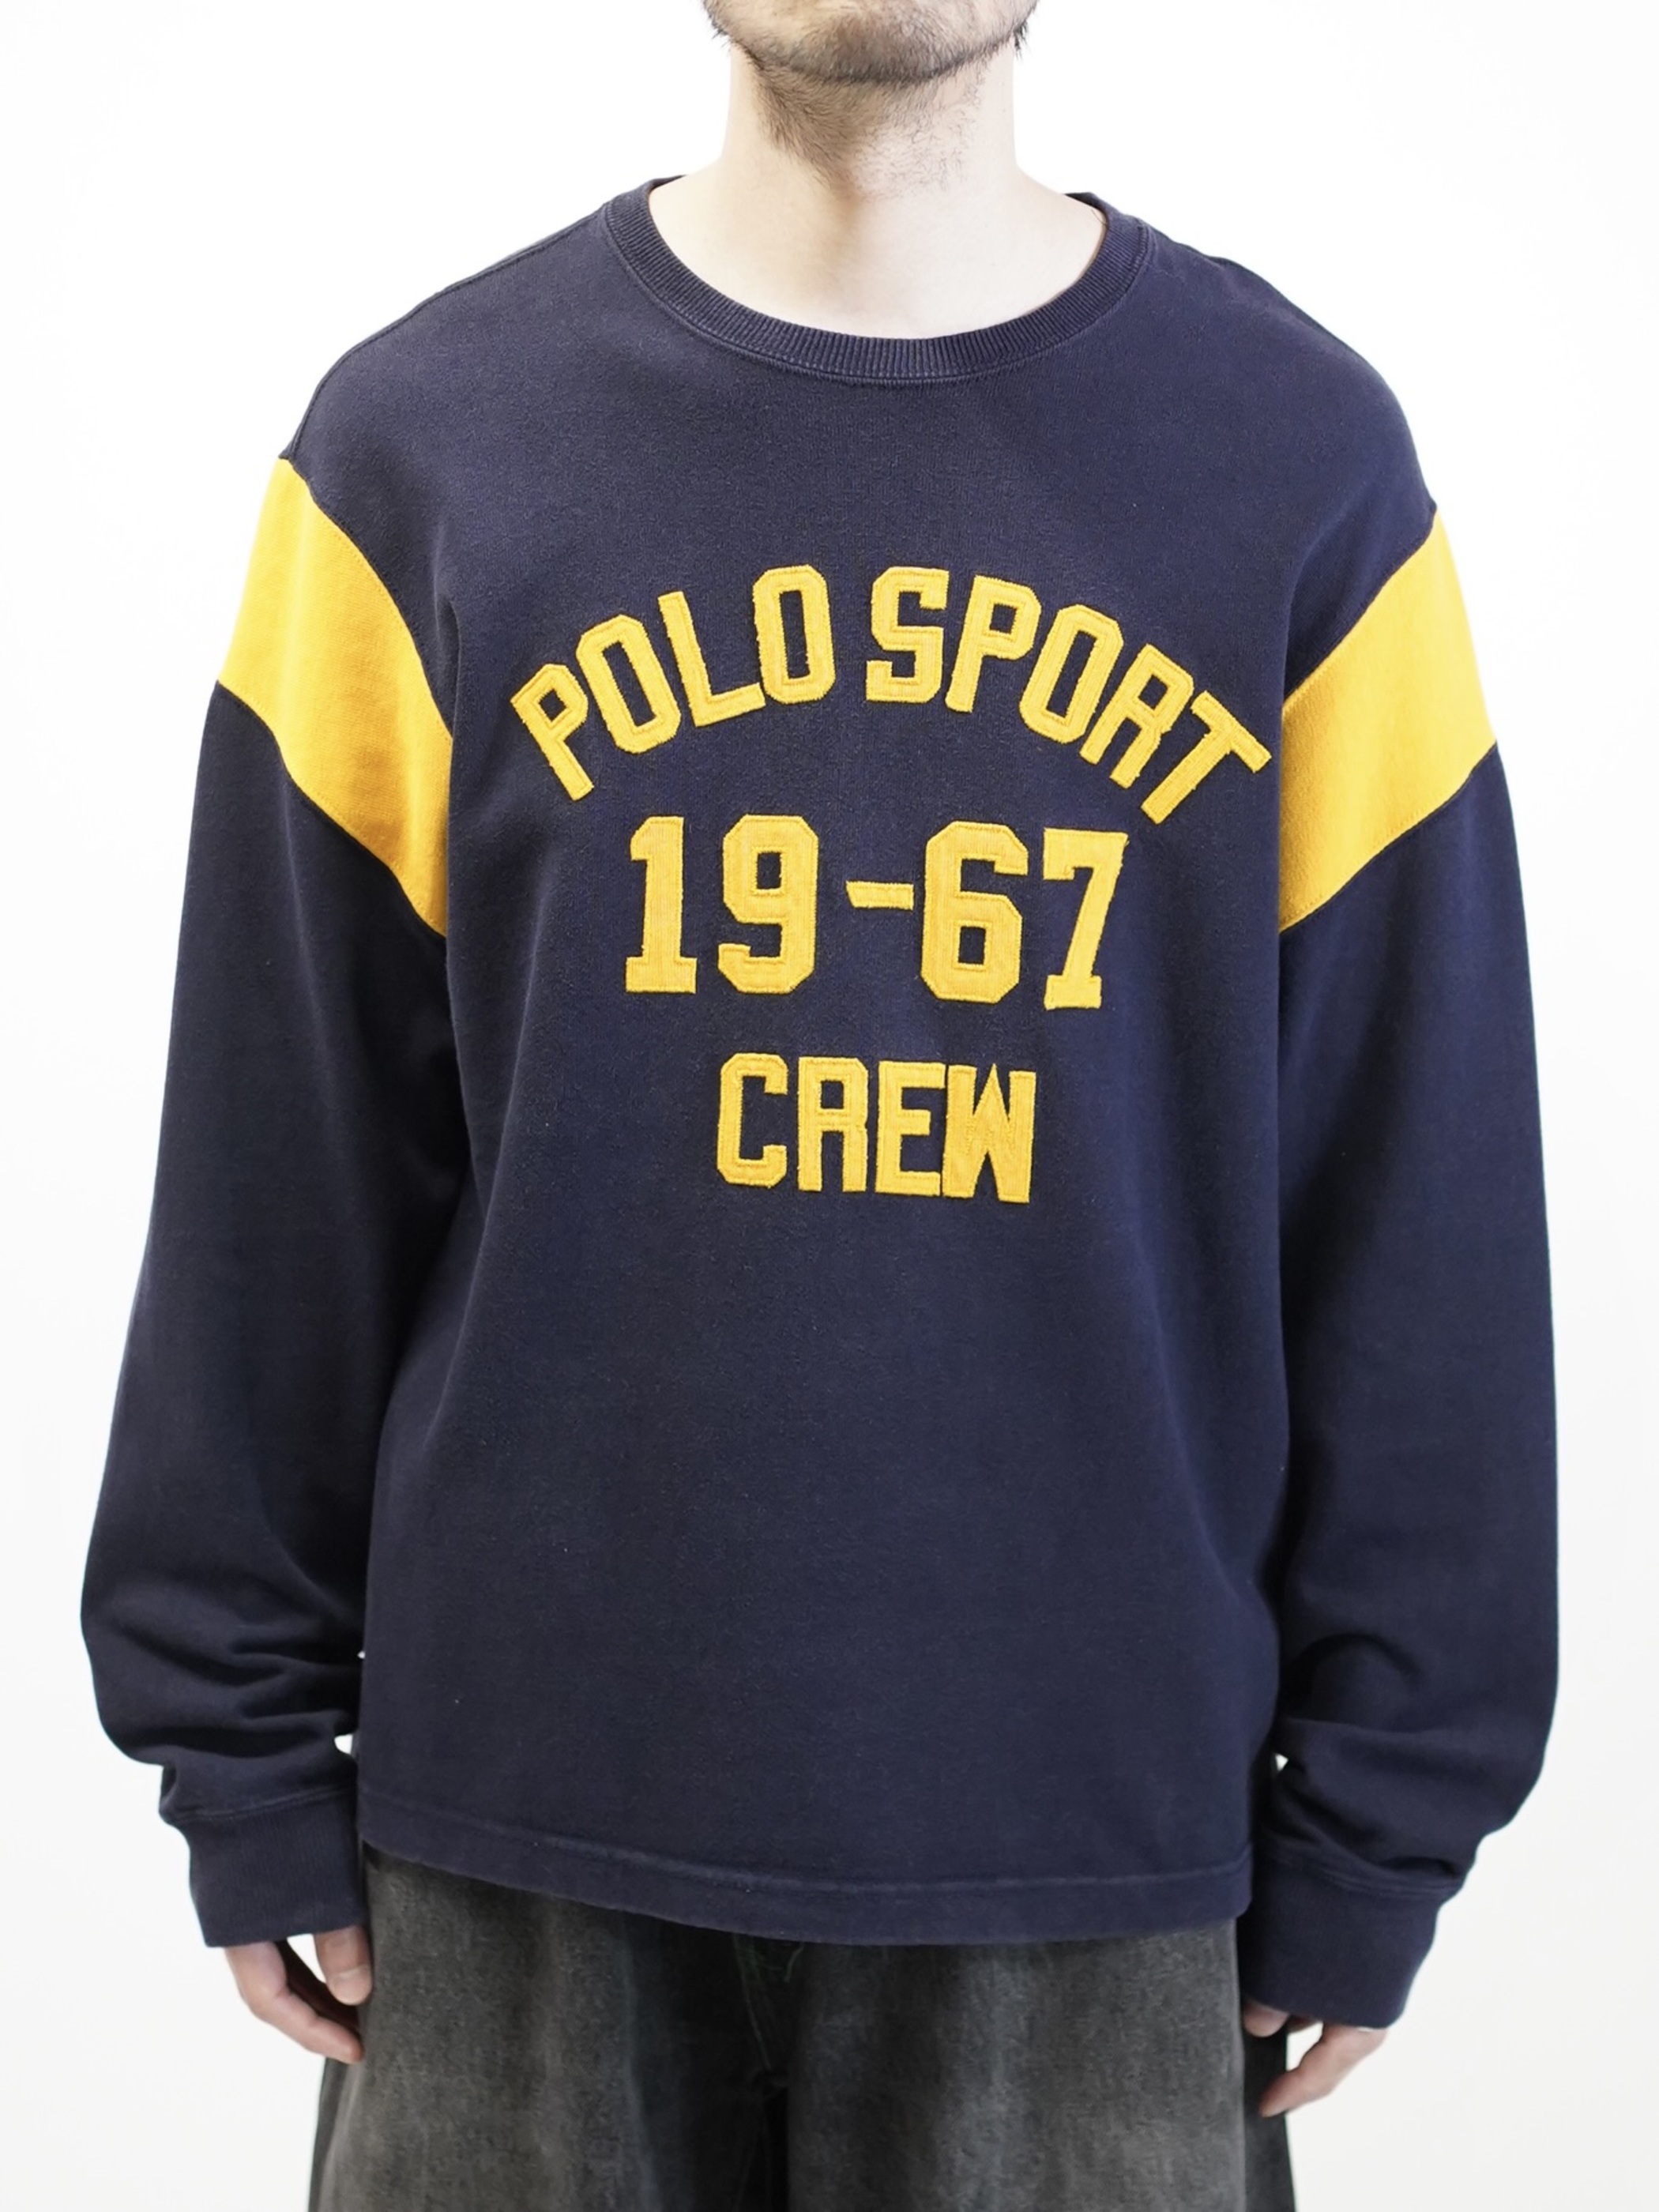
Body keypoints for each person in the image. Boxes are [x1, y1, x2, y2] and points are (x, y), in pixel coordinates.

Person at [81, 2, 1556, 2205]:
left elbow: (1413, 1186)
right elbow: (272, 1152)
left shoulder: (1297, 467)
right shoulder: (421, 450)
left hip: (1091, 1839)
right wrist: (237, 1736)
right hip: (509, 1832)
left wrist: (1387, 1802)